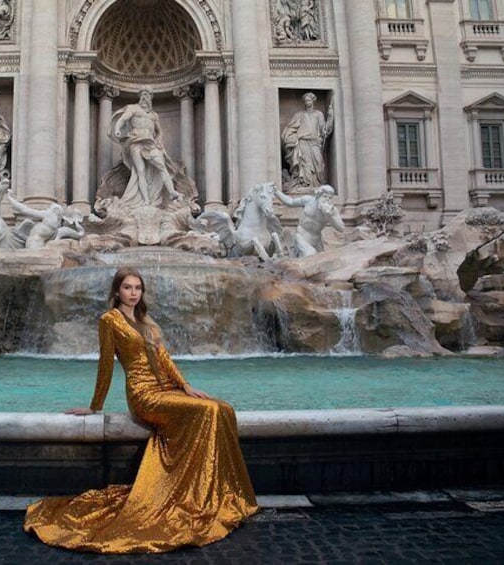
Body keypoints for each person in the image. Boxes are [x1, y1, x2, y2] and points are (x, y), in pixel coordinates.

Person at [24, 268, 258, 553]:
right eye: (127, 287)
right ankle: (195, 494)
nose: (133, 293)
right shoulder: (108, 320)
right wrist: (95, 405)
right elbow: (105, 365)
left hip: (167, 388)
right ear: (116, 291)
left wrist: (185, 386)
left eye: (137, 288)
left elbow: (164, 358)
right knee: (207, 412)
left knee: (222, 408)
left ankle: (217, 493)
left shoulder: (147, 321)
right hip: (143, 395)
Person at [109, 89, 183, 208]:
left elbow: (159, 131)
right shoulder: (133, 108)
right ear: (140, 97)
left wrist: (159, 140)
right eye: (143, 95)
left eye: (147, 95)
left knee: (162, 166)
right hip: (135, 141)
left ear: (151, 98)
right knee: (140, 171)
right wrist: (117, 129)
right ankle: (146, 200)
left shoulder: (154, 115)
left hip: (150, 143)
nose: (145, 97)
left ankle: (172, 192)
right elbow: (122, 119)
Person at [276, 184, 345, 257]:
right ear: (318, 195)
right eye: (325, 196)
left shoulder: (333, 211)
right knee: (309, 255)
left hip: (316, 242)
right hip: (301, 237)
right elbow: (290, 202)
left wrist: (330, 216)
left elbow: (341, 228)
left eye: (329, 198)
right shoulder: (308, 200)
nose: (327, 199)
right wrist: (276, 191)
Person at [281, 92, 329, 188]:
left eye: (309, 100)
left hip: (315, 142)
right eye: (306, 100)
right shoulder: (300, 115)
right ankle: (305, 184)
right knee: (304, 163)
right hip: (302, 142)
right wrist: (292, 137)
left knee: (318, 162)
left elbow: (324, 129)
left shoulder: (318, 114)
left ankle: (318, 183)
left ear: (313, 101)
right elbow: (291, 128)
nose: (307, 102)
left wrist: (331, 117)